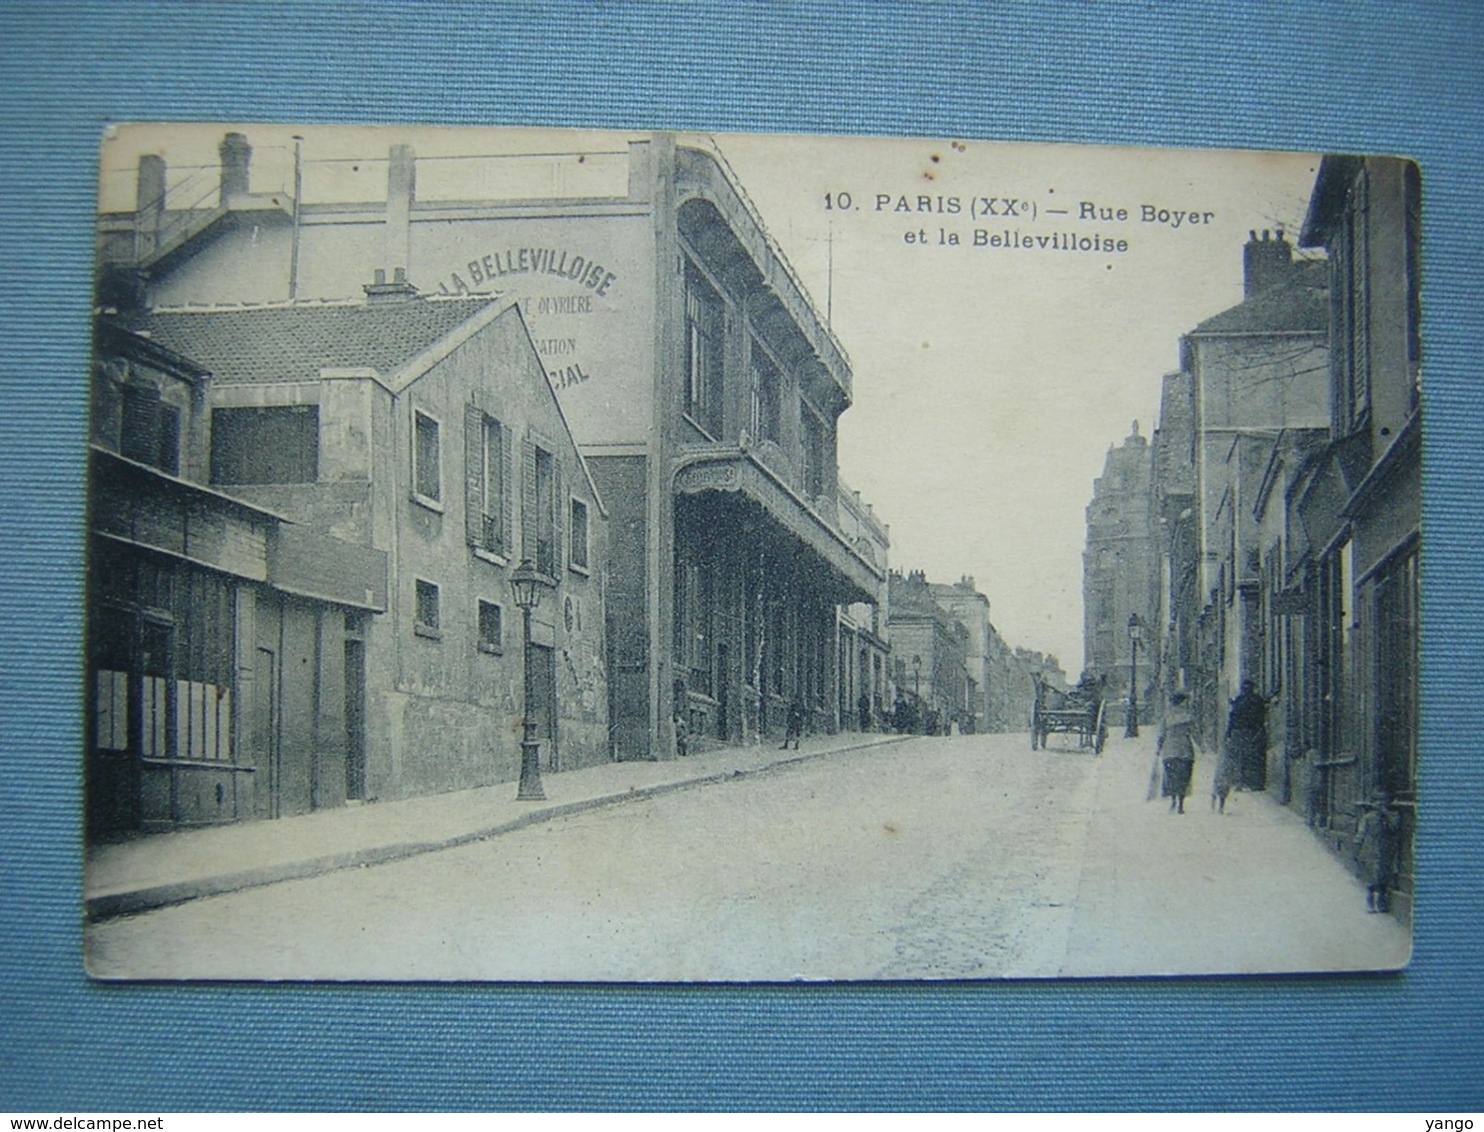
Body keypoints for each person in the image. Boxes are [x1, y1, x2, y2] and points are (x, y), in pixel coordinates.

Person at [1356, 788, 1403, 913]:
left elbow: (1395, 828)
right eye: (1378, 801)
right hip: (1370, 847)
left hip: (1386, 848)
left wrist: (1386, 814)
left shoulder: (1393, 816)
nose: (1381, 804)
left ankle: (1382, 900)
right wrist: (1357, 848)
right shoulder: (1368, 817)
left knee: (1384, 874)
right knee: (1371, 875)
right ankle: (1370, 900)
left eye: (1384, 801)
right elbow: (1361, 833)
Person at [1157, 691, 1196, 814]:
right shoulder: (1188, 715)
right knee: (1183, 777)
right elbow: (1195, 732)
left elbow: (1161, 733)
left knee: (1171, 776)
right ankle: (1180, 803)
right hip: (1185, 749)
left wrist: (1159, 747)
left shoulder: (1167, 715)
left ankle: (1173, 799)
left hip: (1170, 750)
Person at [1226, 678, 1268, 791]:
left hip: (1246, 732)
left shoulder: (1241, 700)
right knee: (1251, 758)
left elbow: (1233, 717)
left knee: (1243, 758)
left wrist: (1229, 732)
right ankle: (1252, 783)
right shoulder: (1256, 700)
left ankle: (1243, 782)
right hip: (1250, 731)